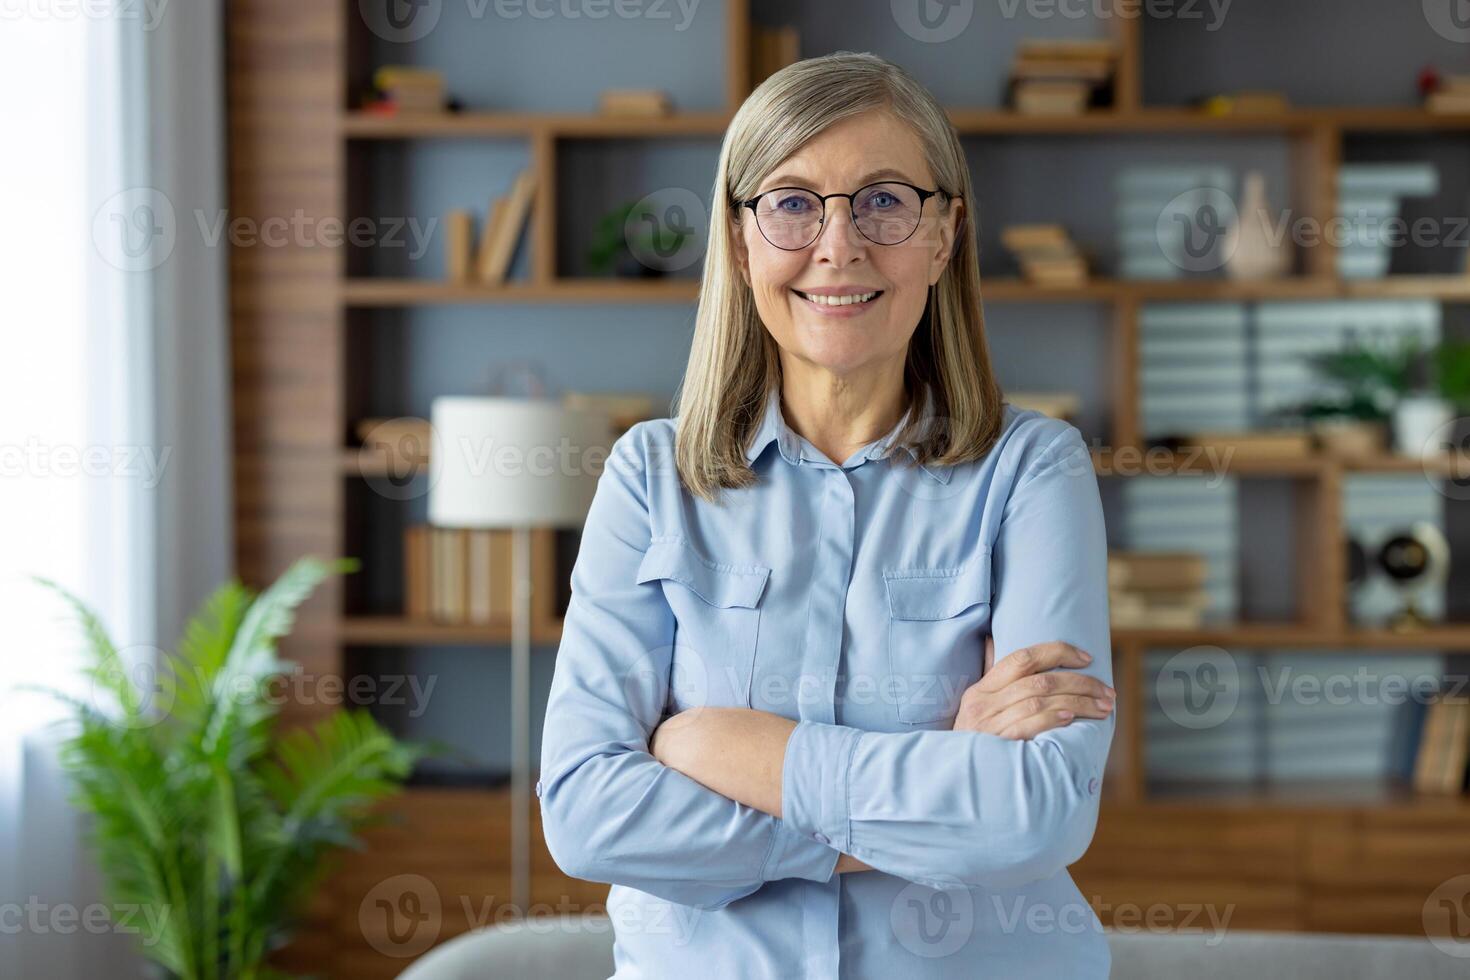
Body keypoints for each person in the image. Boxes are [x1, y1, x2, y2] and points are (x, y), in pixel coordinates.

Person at [538, 50, 1117, 979]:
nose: (838, 246)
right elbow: (585, 814)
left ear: (944, 235)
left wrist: (723, 748)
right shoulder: (650, 475)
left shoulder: (1032, 469)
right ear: (738, 240)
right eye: (792, 202)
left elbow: (1036, 814)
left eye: (885, 200)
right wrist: (932, 782)